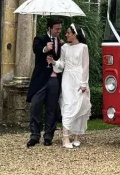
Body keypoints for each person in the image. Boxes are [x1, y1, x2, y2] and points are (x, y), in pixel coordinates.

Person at [47, 23, 91, 149]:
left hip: (79, 78)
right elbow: (62, 64)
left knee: (80, 105)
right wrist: (54, 62)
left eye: (68, 33)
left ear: (75, 34)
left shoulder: (83, 47)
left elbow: (85, 66)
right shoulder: (65, 47)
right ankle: (65, 137)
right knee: (68, 105)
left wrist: (83, 83)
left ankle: (77, 136)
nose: (66, 35)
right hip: (67, 79)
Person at [26, 17, 63, 147]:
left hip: (55, 79)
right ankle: (34, 136)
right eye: (57, 29)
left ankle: (48, 136)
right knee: (35, 106)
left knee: (51, 108)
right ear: (50, 28)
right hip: (40, 80)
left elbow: (60, 59)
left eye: (60, 28)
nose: (59, 31)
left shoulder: (60, 42)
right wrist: (45, 49)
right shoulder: (40, 39)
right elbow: (36, 49)